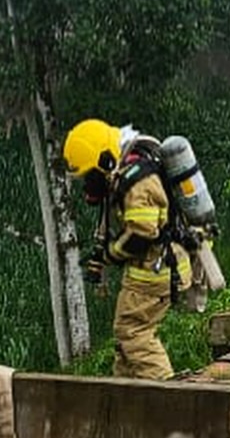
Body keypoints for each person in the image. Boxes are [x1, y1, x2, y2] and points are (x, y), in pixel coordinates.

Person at [63, 118, 191, 381]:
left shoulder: (136, 181)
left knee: (133, 333)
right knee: (125, 342)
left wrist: (110, 254)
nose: (89, 183)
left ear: (106, 160)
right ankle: (123, 400)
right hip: (150, 268)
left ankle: (171, 400)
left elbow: (142, 233)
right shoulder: (124, 169)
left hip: (156, 270)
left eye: (90, 175)